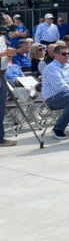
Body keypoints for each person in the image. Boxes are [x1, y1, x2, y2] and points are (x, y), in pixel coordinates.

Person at [0, 14, 19, 146]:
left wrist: (9, 53)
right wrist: (3, 54)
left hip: (3, 73)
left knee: (1, 108)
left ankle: (1, 137)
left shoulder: (2, 37)